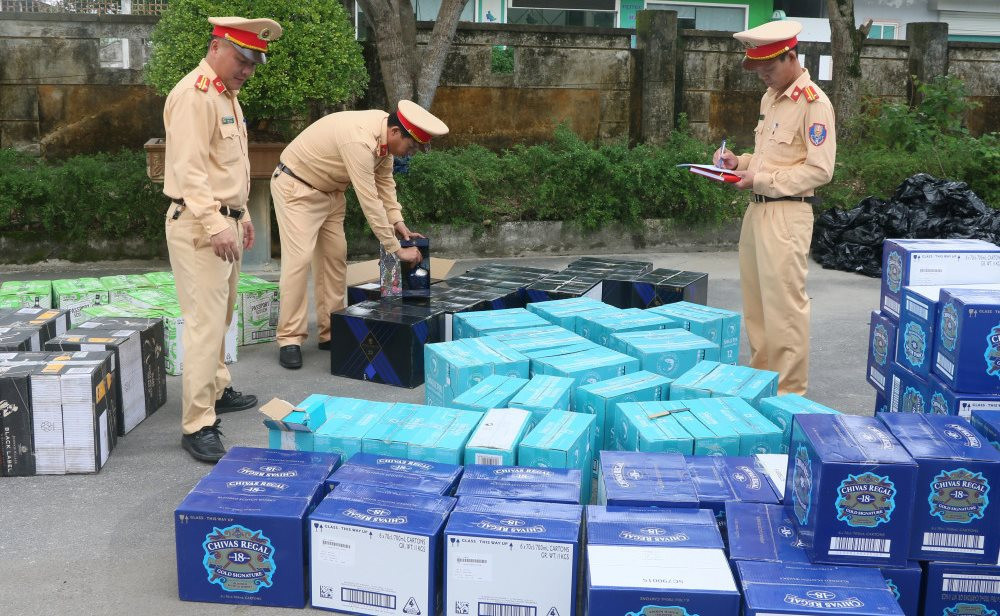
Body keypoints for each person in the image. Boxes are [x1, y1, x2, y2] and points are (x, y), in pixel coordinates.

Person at [163, 16, 282, 462]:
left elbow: (227, 167)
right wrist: (216, 223)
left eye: (253, 63)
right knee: (204, 325)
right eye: (241, 59)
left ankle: (216, 387)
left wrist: (242, 214)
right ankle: (197, 423)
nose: (247, 70)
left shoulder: (225, 95)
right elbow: (191, 170)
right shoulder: (195, 96)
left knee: (222, 316)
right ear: (216, 47)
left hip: (222, 220)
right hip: (200, 225)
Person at [271, 101, 449, 370]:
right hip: (297, 188)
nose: (410, 153)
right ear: (395, 132)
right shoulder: (359, 141)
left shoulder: (385, 138)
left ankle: (330, 331)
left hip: (331, 193)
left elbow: (385, 185)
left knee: (334, 259)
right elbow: (369, 200)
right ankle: (289, 338)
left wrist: (398, 222)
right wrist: (395, 249)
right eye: (411, 146)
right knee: (299, 261)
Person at [714, 20, 836, 395]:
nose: (763, 76)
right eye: (758, 70)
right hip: (757, 211)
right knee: (757, 307)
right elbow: (769, 157)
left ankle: (788, 395)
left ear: (791, 57)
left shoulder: (814, 104)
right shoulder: (770, 98)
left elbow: (819, 170)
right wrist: (739, 162)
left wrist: (761, 179)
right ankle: (762, 386)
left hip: (787, 214)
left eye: (769, 68)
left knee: (784, 310)